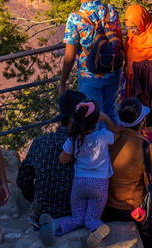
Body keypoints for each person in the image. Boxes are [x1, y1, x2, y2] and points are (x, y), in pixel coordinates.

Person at [20, 90, 85, 244]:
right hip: (74, 216)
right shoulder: (86, 145)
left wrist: (36, 199)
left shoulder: (40, 142)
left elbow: (23, 178)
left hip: (40, 217)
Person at [59, 0, 126, 112]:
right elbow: (119, 41)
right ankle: (112, 135)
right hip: (113, 70)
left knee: (92, 116)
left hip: (89, 74)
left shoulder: (75, 19)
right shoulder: (111, 11)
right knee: (110, 111)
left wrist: (62, 83)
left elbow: (69, 57)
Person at [104, 97, 152, 248]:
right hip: (132, 211)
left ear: (121, 121)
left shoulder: (109, 142)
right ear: (142, 120)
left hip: (107, 209)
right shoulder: (149, 149)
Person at [49, 101, 114, 240]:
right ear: (97, 120)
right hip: (100, 184)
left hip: (79, 183)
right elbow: (117, 134)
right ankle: (97, 227)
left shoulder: (73, 139)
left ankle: (55, 225)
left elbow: (63, 159)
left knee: (77, 218)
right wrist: (107, 118)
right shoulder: (104, 135)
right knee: (91, 218)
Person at [122, 4, 152, 147]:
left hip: (150, 93)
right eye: (129, 27)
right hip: (131, 90)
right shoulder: (131, 38)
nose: (132, 31)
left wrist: (145, 68)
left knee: (150, 122)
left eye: (134, 26)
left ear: (142, 22)